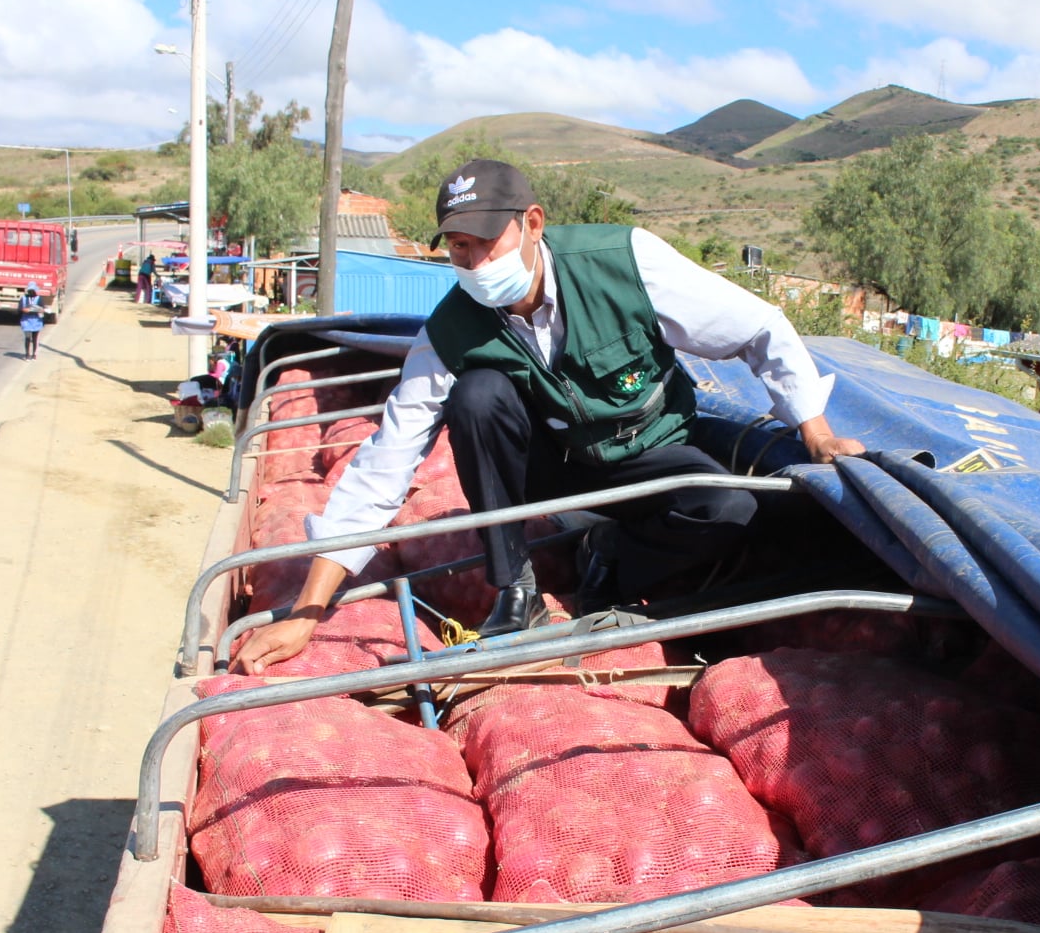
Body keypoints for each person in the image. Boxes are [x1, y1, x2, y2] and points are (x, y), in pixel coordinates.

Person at [233, 158, 864, 674]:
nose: (475, 264)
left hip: (649, 450)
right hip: (556, 467)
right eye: (458, 248)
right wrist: (308, 610)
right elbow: (385, 463)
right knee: (477, 394)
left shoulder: (623, 262)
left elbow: (759, 328)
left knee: (730, 510)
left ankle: (612, 557)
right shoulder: (451, 329)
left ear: (532, 223)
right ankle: (517, 590)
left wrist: (816, 430)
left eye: (487, 243)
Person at [17, 282, 44, 359]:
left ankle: (34, 354)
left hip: (36, 321)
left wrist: (39, 310)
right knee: (28, 338)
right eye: (30, 290)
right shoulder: (24, 298)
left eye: (33, 290)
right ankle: (27, 354)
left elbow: (42, 309)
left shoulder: (39, 299)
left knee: (35, 338)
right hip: (26, 321)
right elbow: (19, 309)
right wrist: (23, 310)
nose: (31, 292)